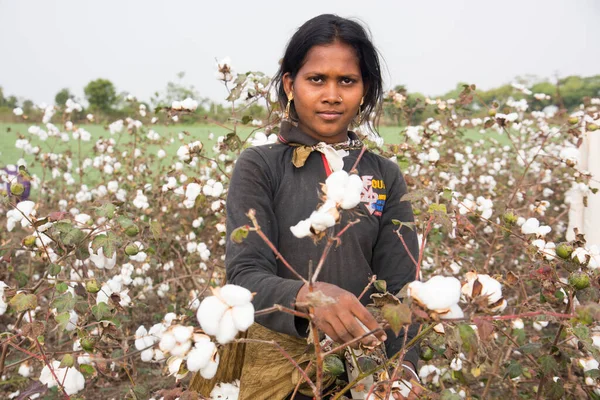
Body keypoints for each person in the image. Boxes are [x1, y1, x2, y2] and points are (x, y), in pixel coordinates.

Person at [225, 14, 421, 399]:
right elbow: (244, 276)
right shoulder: (260, 165)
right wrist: (311, 297)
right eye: (317, 79)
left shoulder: (383, 174)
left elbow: (401, 289)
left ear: (364, 90)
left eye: (347, 81)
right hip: (279, 369)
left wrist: (403, 371)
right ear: (290, 84)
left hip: (366, 373)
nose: (332, 94)